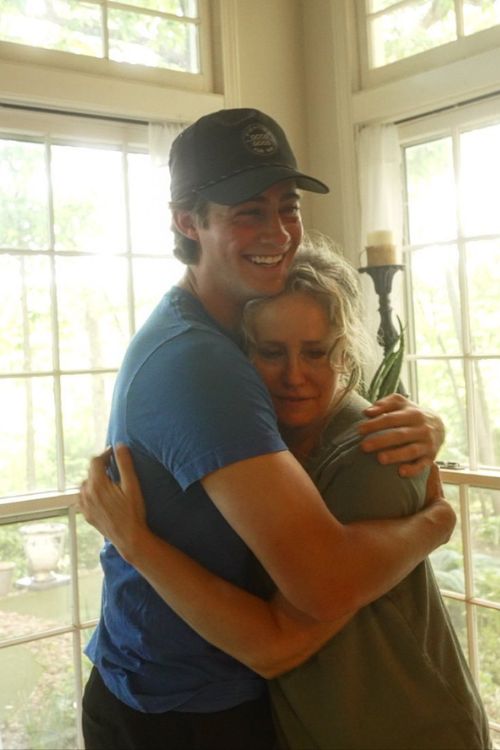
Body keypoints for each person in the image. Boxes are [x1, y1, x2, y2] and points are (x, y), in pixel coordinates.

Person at [80, 108, 455, 750]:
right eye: (247, 211)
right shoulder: (200, 362)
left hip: (193, 691)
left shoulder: (226, 327)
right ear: (186, 220)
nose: (279, 231)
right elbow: (322, 588)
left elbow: (313, 395)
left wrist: (424, 424)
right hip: (182, 713)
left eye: (287, 206)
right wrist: (436, 523)